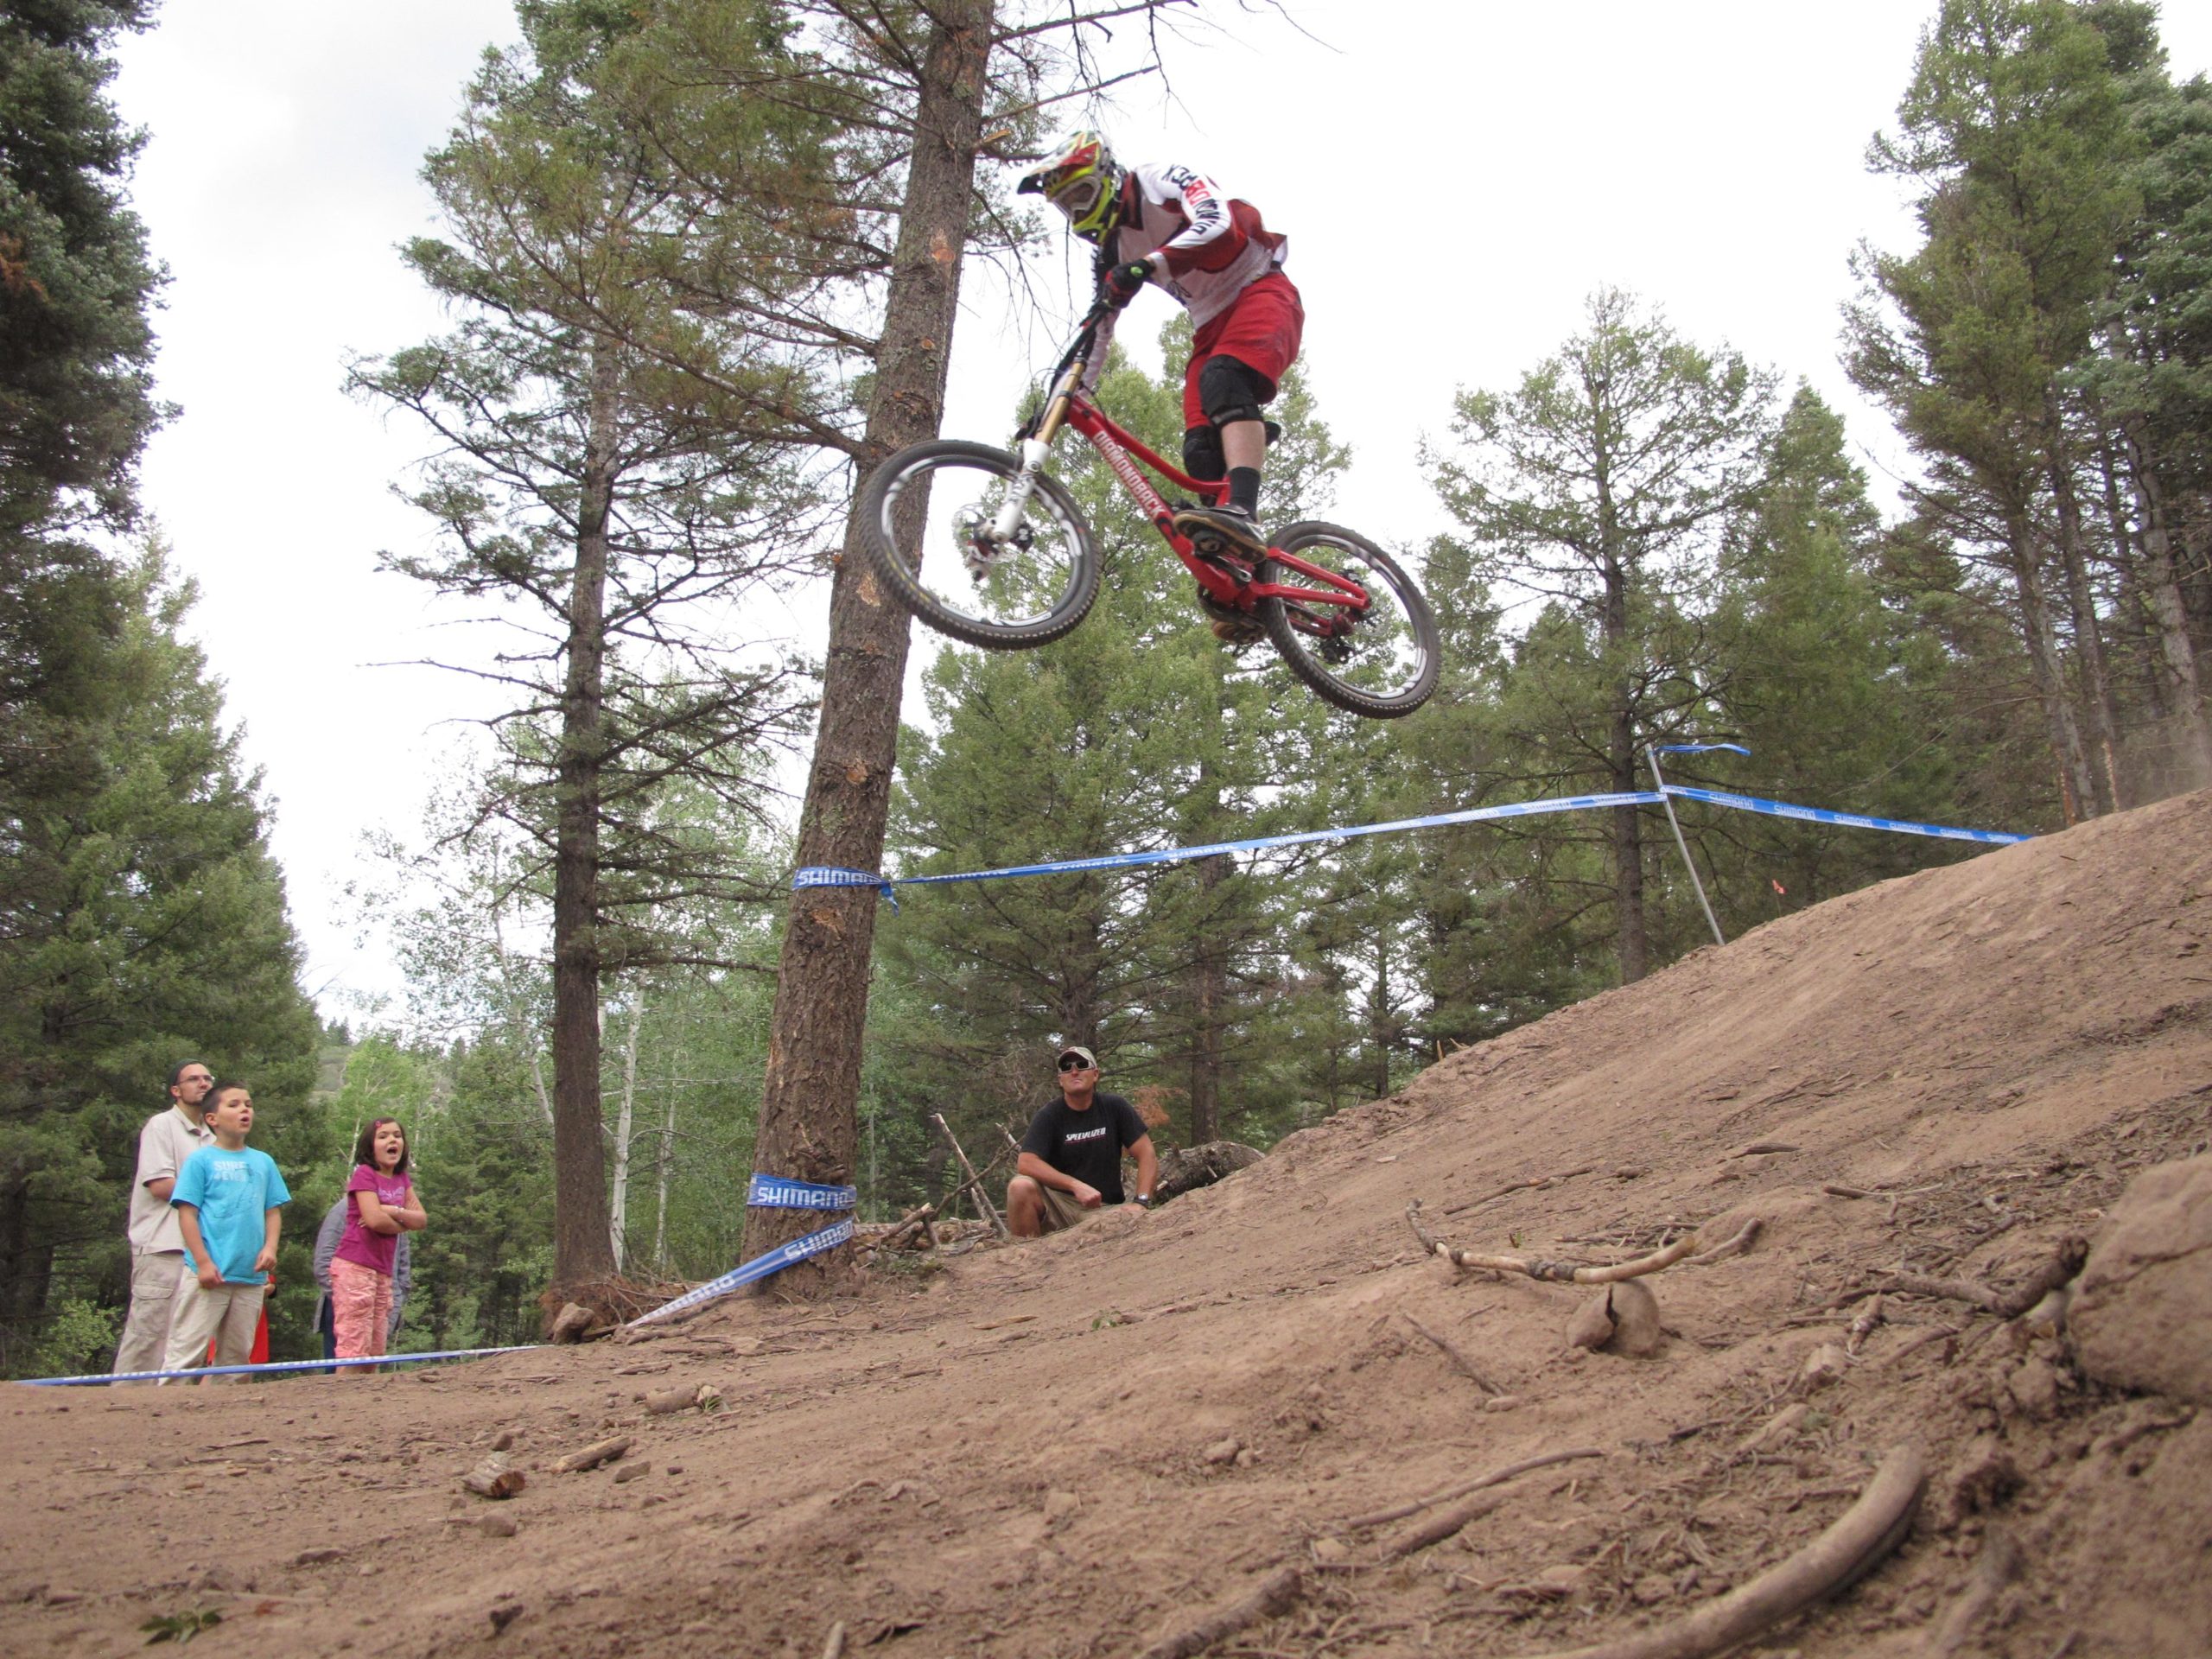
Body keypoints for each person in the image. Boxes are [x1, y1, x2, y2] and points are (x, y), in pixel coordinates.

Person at [1019, 130, 1302, 623]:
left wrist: (1150, 265)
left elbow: (1218, 223)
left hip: (1259, 289)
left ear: (1106, 177)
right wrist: (1065, 399)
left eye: (1081, 195)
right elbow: (1099, 331)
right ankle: (1241, 577)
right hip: (1208, 323)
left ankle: (1243, 517)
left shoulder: (1158, 180)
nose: (1078, 212)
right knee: (1197, 447)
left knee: (1223, 381)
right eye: (1067, 207)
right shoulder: (1110, 252)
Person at [160, 1083, 289, 1381]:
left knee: (236, 1358)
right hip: (209, 1275)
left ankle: (224, 1421)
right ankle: (163, 1413)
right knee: (186, 1353)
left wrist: (270, 1249)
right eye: (234, 1104)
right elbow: (187, 1214)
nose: (245, 1109)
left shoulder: (263, 1161)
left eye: (249, 1103)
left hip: (250, 1277)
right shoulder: (200, 1161)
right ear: (211, 1119)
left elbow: (273, 1211)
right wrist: (203, 1262)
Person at [113, 1060, 218, 1378]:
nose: (203, 1084)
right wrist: (218, 1196)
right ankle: (125, 1405)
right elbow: (161, 1185)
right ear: (176, 1090)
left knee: (186, 1339)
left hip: (200, 1251)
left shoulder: (214, 1136)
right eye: (193, 1079)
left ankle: (168, 1411)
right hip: (163, 1246)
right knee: (149, 1335)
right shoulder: (161, 1126)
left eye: (207, 1078)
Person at [1007, 1045, 1157, 1237]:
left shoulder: (1115, 1107)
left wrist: (1141, 1202)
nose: (1074, 1071)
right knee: (1019, 1187)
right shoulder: (1049, 1115)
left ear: (1095, 1074)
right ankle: (1026, 1258)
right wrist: (1075, 1185)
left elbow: (1147, 1154)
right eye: (1066, 1068)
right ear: (1060, 1080)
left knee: (1124, 1227)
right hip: (1060, 1207)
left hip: (1103, 1209)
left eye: (1081, 1064)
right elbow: (1026, 1162)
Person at [330, 1117, 424, 1373]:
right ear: (370, 1146)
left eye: (397, 1135)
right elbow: (373, 1220)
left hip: (383, 1271)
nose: (392, 1140)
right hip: (355, 1266)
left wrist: (389, 1209)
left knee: (375, 1348)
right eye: (383, 1136)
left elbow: (421, 1218)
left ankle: (366, 1407)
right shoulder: (365, 1174)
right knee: (354, 1346)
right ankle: (344, 1399)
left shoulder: (402, 1179)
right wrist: (402, 1221)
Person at [312, 1196, 412, 1371]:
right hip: (341, 1305)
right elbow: (323, 1261)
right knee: (339, 1375)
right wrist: (345, 1300)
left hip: (381, 1306)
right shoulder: (344, 1208)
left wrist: (391, 1310)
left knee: (369, 1376)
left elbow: (402, 1275)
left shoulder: (394, 1214)